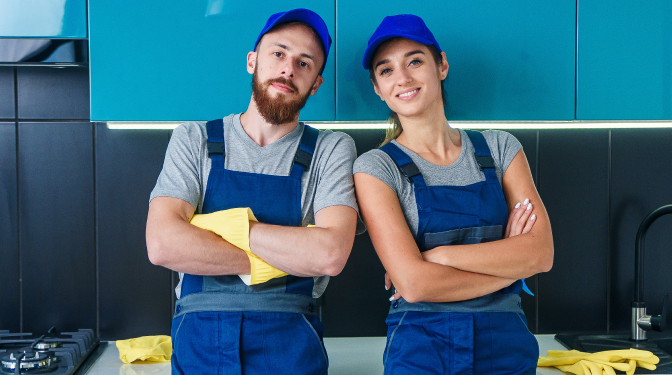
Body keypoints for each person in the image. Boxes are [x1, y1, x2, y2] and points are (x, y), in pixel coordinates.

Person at [145, 9, 360, 375]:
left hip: (291, 347)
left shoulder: (330, 149)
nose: (288, 68)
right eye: (279, 53)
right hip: (199, 347)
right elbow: (163, 243)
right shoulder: (194, 138)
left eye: (304, 62)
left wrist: (221, 228)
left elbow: (329, 255)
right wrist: (286, 258)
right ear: (252, 60)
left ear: (316, 83)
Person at [353, 14, 555, 374]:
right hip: (420, 350)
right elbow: (414, 285)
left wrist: (439, 256)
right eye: (386, 71)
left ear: (441, 65)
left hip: (506, 348)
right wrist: (511, 268)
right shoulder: (375, 168)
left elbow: (540, 254)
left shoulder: (500, 149)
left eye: (415, 61)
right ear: (377, 88)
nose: (402, 78)